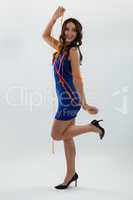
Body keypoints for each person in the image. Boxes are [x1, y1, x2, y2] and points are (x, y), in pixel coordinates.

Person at [42, 6, 105, 189]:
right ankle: (71, 174)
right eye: (67, 29)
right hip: (65, 99)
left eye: (73, 30)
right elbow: (45, 36)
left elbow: (78, 78)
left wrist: (84, 104)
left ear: (78, 34)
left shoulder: (73, 51)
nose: (70, 33)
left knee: (55, 134)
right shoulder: (62, 48)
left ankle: (92, 128)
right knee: (67, 138)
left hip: (70, 100)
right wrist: (54, 17)